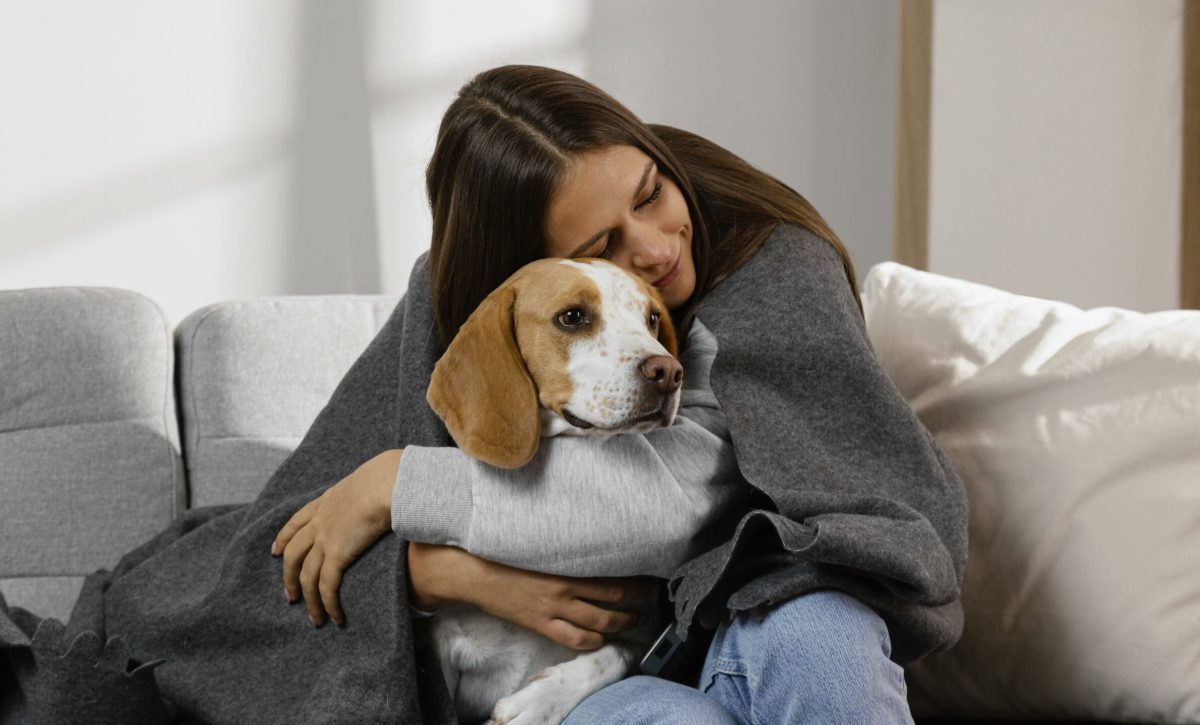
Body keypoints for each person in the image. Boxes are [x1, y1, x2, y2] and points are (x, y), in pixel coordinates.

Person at [270, 64, 968, 723]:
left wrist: (396, 483)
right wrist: (438, 573)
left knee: (823, 637)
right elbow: (276, 549)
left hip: (753, 606)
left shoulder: (773, 268)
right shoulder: (467, 309)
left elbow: (674, 503)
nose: (658, 249)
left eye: (651, 193)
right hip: (609, 675)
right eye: (603, 247)